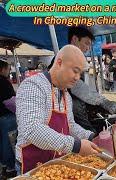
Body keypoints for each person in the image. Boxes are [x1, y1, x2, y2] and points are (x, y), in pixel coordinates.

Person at [15, 45, 100, 174]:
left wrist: (91, 137)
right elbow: (32, 129)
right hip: (32, 166)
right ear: (59, 62)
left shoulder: (65, 94)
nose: (78, 77)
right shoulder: (33, 85)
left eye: (80, 73)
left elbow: (70, 125)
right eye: (75, 71)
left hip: (56, 164)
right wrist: (76, 145)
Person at [48, 26, 116, 132]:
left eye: (90, 45)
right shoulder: (65, 58)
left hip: (73, 106)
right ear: (74, 39)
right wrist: (102, 101)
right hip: (63, 109)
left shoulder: (75, 59)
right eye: (86, 43)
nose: (88, 48)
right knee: (89, 134)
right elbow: (76, 86)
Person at [0, 60, 17, 178]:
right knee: (9, 144)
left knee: (2, 143)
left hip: (1, 117)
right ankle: (10, 169)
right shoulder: (3, 82)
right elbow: (11, 102)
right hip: (7, 118)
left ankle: (4, 166)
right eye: (8, 69)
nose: (8, 71)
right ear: (2, 69)